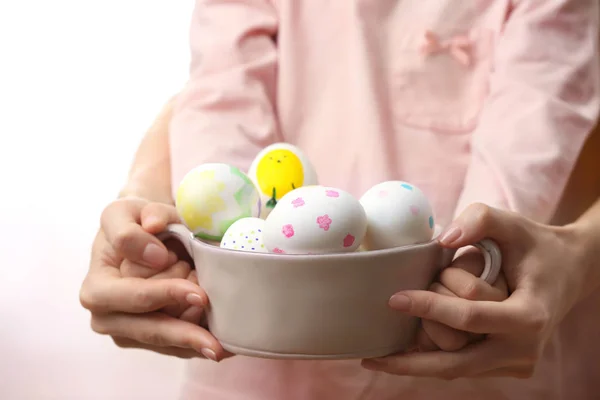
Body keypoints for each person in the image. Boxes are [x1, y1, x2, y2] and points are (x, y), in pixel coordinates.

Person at [79, 1, 600, 399]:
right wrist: (166, 217)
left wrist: (568, 255)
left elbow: (540, 116)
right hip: (254, 368)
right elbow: (219, 90)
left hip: (479, 375)